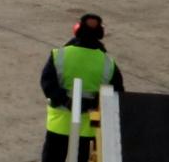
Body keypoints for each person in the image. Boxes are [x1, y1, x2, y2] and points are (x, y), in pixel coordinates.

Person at [40, 13, 122, 162]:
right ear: (100, 34)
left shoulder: (60, 55)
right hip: (88, 129)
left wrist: (65, 100)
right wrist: (93, 103)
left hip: (58, 124)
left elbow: (47, 83)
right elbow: (117, 93)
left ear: (77, 29)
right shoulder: (108, 63)